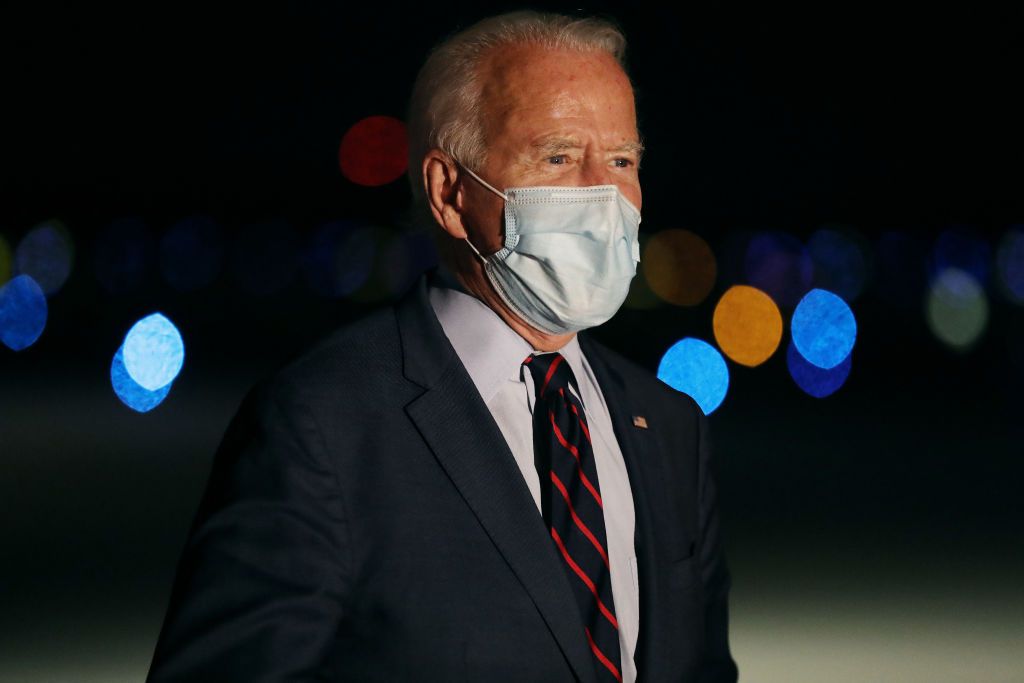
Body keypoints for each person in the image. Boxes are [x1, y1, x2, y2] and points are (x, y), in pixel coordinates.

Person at [146, 10, 738, 682]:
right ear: (449, 191)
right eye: (559, 156)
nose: (604, 192)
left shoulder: (667, 423)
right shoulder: (320, 425)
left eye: (624, 159)